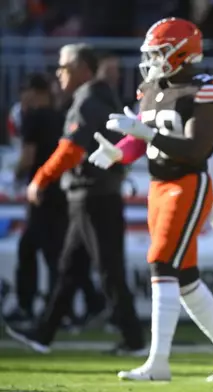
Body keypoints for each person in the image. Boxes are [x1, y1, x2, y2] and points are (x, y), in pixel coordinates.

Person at [87, 17, 213, 381]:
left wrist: (145, 133)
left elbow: (195, 148)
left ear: (182, 54)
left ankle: (158, 362)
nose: (153, 60)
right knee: (184, 276)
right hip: (158, 186)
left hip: (187, 182)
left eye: (159, 52)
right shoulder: (152, 86)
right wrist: (118, 153)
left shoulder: (205, 89)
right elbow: (138, 137)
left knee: (160, 262)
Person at [5, 43, 144, 355]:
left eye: (64, 67)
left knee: (108, 269)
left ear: (82, 69)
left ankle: (134, 340)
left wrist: (40, 179)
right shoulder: (100, 95)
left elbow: (71, 149)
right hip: (96, 194)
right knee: (70, 268)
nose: (58, 73)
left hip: (92, 195)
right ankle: (44, 334)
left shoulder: (87, 99)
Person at [7, 73, 66, 324]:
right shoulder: (60, 116)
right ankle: (56, 308)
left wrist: (16, 176)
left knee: (35, 250)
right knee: (48, 251)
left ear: (36, 92)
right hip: (60, 191)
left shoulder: (33, 118)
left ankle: (35, 307)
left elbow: (28, 157)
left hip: (39, 192)